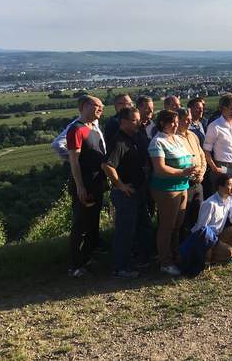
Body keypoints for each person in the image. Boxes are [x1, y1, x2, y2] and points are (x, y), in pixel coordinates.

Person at [101, 106, 151, 279]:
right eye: (134, 120)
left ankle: (140, 260)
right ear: (123, 122)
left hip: (138, 191)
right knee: (125, 232)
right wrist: (120, 185)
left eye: (137, 119)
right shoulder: (119, 141)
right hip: (126, 194)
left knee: (142, 227)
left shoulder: (134, 137)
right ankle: (120, 267)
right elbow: (107, 165)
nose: (138, 122)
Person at [65, 95, 107, 278]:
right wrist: (80, 186)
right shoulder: (76, 129)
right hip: (85, 184)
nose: (100, 108)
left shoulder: (94, 129)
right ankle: (75, 265)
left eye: (102, 106)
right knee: (80, 225)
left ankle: (87, 258)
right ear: (83, 107)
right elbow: (74, 161)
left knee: (92, 224)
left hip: (98, 184)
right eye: (96, 105)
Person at [148, 110, 194, 276]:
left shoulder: (178, 139)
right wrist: (182, 172)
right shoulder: (157, 142)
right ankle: (165, 262)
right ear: (162, 123)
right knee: (166, 226)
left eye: (177, 121)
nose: (176, 124)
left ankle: (175, 255)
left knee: (177, 225)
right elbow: (160, 169)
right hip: (166, 189)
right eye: (172, 122)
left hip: (183, 186)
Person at [191, 174, 232, 264]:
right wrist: (208, 250)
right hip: (208, 240)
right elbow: (201, 230)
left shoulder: (229, 200)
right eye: (229, 184)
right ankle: (209, 259)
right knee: (230, 252)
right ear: (220, 187)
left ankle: (225, 256)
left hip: (218, 236)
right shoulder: (210, 204)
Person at [204, 93, 232, 185]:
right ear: (223, 109)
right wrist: (214, 168)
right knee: (222, 197)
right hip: (222, 167)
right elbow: (206, 150)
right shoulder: (214, 126)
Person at [176, 108, 207, 237]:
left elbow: (202, 156)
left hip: (198, 183)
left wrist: (202, 172)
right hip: (185, 183)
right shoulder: (174, 138)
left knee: (198, 216)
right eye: (185, 119)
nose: (189, 122)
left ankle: (196, 245)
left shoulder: (193, 135)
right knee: (184, 218)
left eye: (189, 118)